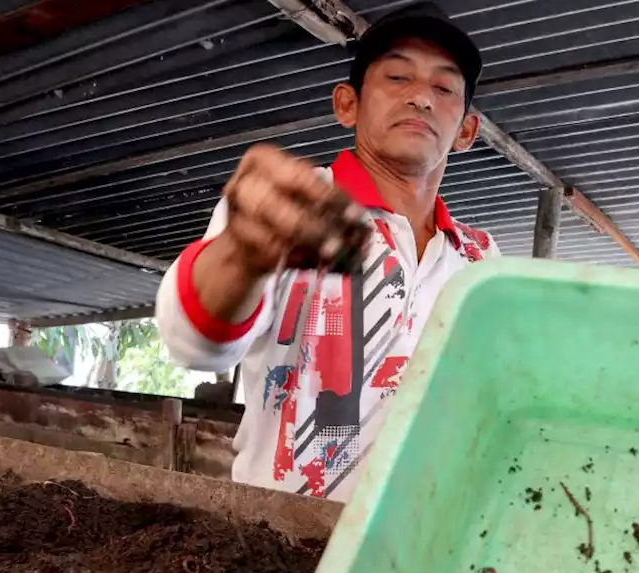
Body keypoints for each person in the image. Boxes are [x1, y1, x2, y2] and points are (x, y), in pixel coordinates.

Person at [156, 3, 498, 499]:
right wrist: (245, 254)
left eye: (444, 88)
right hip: (282, 542)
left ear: (466, 131)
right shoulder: (295, 206)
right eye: (398, 77)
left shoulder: (480, 260)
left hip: (421, 547)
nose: (422, 96)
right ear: (347, 105)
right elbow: (195, 344)